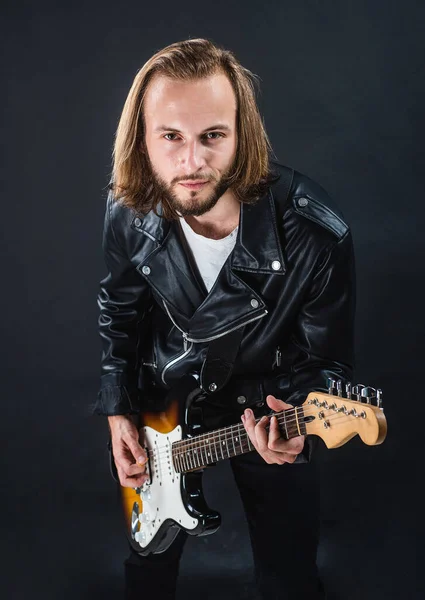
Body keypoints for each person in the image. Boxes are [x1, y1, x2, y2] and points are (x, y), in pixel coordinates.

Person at [94, 37, 355, 600]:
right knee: (148, 568)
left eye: (213, 135)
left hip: (269, 408)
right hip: (166, 403)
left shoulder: (315, 235)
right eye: (171, 137)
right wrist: (119, 409)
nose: (191, 162)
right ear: (143, 140)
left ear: (243, 134)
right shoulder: (128, 204)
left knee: (289, 577)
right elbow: (119, 310)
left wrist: (299, 428)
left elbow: (327, 366)